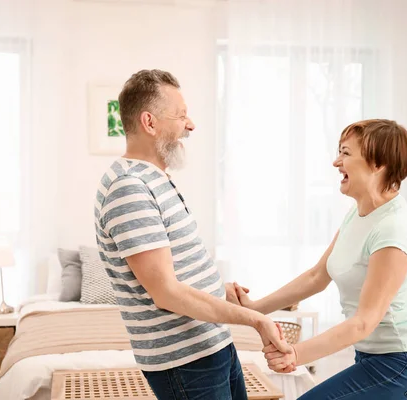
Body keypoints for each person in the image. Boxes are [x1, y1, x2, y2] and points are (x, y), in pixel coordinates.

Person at [93, 69, 291, 400]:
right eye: (181, 115)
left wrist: (216, 288)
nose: (191, 125)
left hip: (210, 345)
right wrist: (255, 320)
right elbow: (166, 292)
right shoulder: (129, 188)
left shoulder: (154, 178)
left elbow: (172, 269)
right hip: (186, 361)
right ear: (150, 123)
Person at [234, 119, 407, 399]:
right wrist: (256, 309)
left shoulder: (394, 228)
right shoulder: (358, 214)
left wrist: (296, 353)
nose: (336, 162)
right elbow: (317, 276)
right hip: (372, 355)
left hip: (405, 361)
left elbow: (363, 322)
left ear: (378, 164)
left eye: (345, 153)